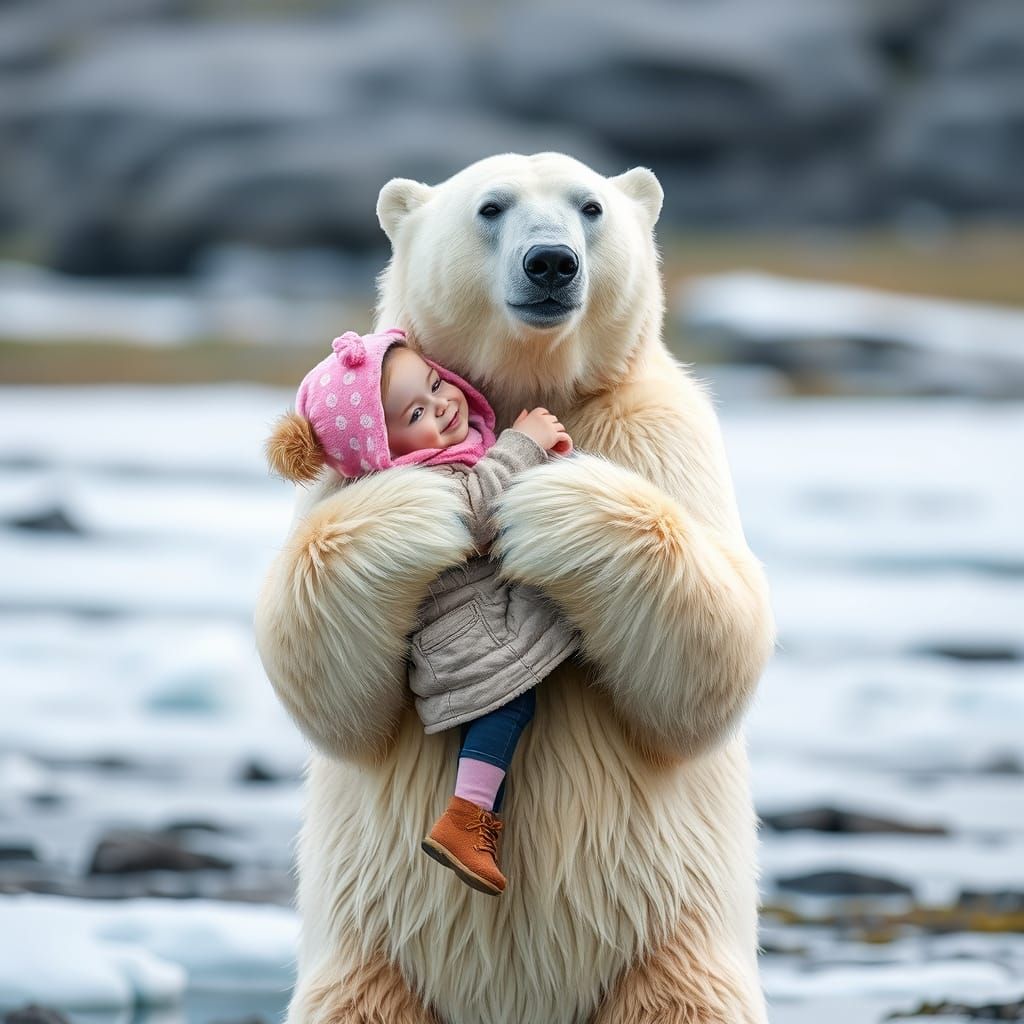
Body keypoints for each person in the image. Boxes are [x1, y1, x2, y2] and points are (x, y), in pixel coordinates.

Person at [265, 328, 576, 896]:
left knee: (509, 709)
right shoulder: (421, 483)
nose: (443, 404)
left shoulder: (453, 450)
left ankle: (475, 822)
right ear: (384, 452)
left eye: (436, 384)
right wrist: (522, 444)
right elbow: (477, 508)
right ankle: (466, 818)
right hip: (466, 637)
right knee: (506, 709)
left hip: (476, 623)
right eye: (417, 412)